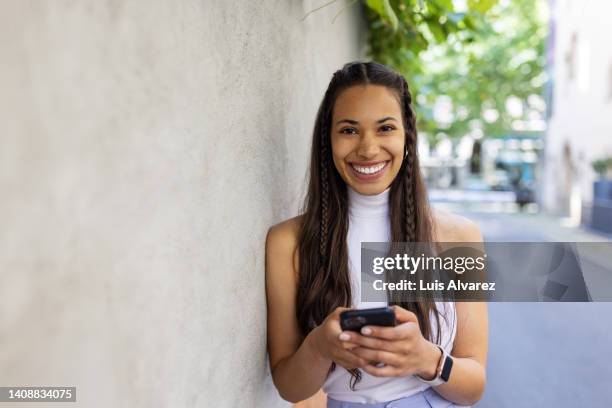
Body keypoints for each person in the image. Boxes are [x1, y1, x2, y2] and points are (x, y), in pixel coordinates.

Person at [265, 61, 488, 408]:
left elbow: (473, 387)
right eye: (349, 130)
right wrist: (320, 346)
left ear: (406, 136)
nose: (368, 148)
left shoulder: (457, 236)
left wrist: (425, 358)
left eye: (385, 128)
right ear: (328, 140)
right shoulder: (288, 242)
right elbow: (290, 389)